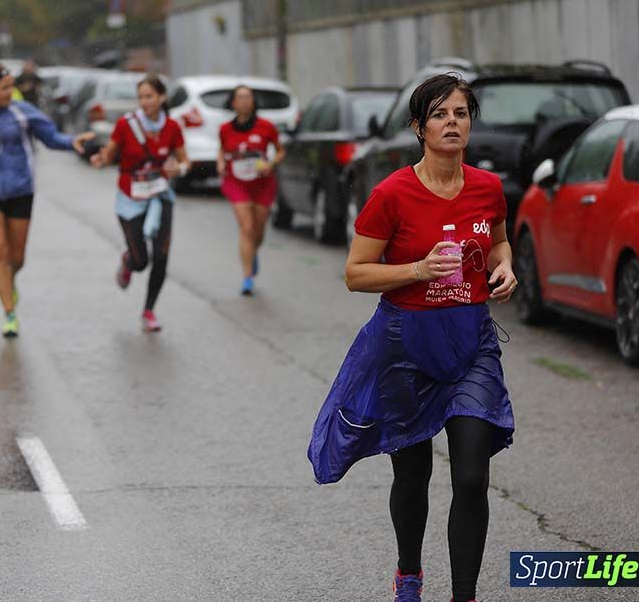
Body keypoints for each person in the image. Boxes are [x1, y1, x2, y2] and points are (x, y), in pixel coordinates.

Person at [306, 73, 518, 602]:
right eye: (441, 115)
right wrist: (417, 270)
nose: (453, 123)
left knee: (472, 475)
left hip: (471, 341)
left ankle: (464, 594)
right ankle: (408, 574)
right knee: (414, 469)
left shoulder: (488, 188)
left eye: (461, 114)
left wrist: (506, 269)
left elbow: (497, 244)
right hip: (406, 344)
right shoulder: (392, 193)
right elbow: (356, 273)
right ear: (419, 126)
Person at [0, 62, 94, 338]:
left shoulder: (23, 113)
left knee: (16, 257)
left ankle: (8, 281)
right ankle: (9, 313)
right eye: (5, 88)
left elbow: (51, 137)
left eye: (11, 87)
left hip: (20, 190)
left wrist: (72, 142)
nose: (11, 92)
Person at [90, 75, 191, 332]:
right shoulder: (127, 125)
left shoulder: (172, 127)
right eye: (141, 97)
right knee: (140, 260)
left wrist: (178, 168)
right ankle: (127, 261)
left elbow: (184, 160)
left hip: (160, 196)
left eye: (150, 96)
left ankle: (149, 310)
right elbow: (111, 153)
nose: (145, 102)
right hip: (130, 198)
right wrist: (101, 159)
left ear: (161, 98)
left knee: (162, 256)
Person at [216, 85, 285, 295]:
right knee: (246, 227)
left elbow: (280, 152)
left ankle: (252, 251)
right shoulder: (225, 129)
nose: (245, 101)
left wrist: (270, 164)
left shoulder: (266, 127)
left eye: (248, 97)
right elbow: (221, 149)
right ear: (233, 102)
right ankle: (247, 278)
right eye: (240, 97)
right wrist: (220, 162)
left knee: (258, 230)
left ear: (253, 102)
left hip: (262, 184)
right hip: (236, 183)